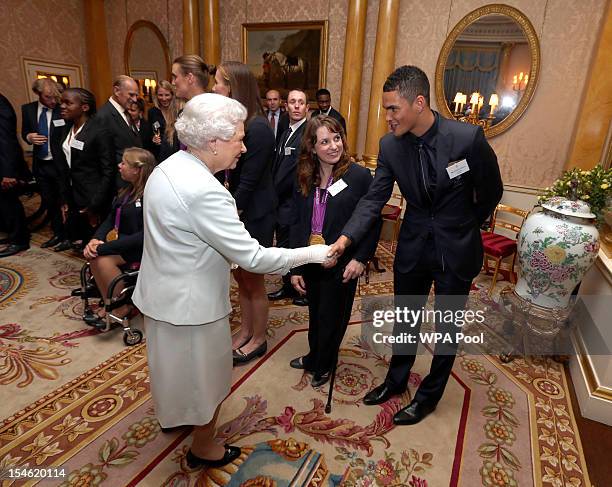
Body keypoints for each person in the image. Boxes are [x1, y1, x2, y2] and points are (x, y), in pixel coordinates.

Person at [132, 93, 331, 469]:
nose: (244, 146)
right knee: (209, 380)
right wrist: (312, 254)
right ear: (213, 141)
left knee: (170, 369)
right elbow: (254, 257)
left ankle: (175, 419)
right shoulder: (205, 190)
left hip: (158, 294)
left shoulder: (167, 166)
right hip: (193, 306)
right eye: (239, 138)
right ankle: (203, 447)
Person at [327, 65, 503, 425]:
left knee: (447, 327)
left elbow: (491, 191)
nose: (387, 117)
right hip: (413, 245)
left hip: (456, 246)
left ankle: (428, 397)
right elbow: (374, 199)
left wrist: (467, 221)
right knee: (406, 319)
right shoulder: (390, 146)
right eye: (386, 109)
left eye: (393, 108)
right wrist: (346, 238)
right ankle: (395, 381)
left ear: (419, 102)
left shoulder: (467, 139)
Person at [289, 115, 380, 387]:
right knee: (316, 312)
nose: (333, 146)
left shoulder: (359, 176)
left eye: (337, 138)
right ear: (312, 147)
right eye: (324, 141)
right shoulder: (305, 175)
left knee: (334, 315)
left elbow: (372, 221)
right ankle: (313, 355)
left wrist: (361, 259)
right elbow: (296, 222)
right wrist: (295, 266)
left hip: (343, 261)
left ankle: (325, 363)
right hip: (310, 257)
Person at [212, 62, 278, 364]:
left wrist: (230, 211)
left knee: (254, 280)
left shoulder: (259, 128)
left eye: (219, 83)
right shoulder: (240, 123)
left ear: (234, 87)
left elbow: (249, 182)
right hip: (238, 210)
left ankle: (258, 338)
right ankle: (246, 330)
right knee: (240, 279)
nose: (215, 89)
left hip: (254, 214)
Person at [83, 148, 155, 325]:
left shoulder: (151, 195)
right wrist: (95, 239)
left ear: (137, 170)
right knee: (94, 257)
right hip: (122, 244)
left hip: (142, 247)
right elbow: (109, 220)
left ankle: (122, 306)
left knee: (102, 260)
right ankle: (111, 302)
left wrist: (103, 248)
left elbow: (144, 235)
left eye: (124, 163)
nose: (119, 166)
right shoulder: (126, 190)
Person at [51, 88, 114, 251]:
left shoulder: (99, 131)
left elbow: (108, 171)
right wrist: (64, 197)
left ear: (84, 107)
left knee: (96, 241)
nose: (62, 106)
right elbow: (65, 166)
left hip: (93, 195)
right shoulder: (65, 129)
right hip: (73, 193)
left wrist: (95, 205)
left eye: (68, 103)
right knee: (83, 237)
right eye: (61, 102)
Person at [268, 89, 309, 305]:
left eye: (300, 103)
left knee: (296, 246)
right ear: (286, 106)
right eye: (292, 102)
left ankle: (301, 289)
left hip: (294, 202)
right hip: (281, 202)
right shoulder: (286, 132)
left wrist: (273, 193)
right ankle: (287, 285)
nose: (296, 106)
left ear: (306, 108)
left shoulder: (306, 135)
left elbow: (294, 172)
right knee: (284, 245)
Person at [21, 78, 65, 249]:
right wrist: (29, 137)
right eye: (48, 97)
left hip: (59, 164)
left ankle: (68, 235)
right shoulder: (28, 109)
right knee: (49, 200)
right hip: (41, 164)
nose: (53, 101)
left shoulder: (61, 109)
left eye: (55, 97)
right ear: (38, 94)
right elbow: (25, 131)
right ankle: (57, 233)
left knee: (64, 201)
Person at [96, 76, 141, 190]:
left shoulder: (124, 112)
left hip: (132, 179)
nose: (135, 99)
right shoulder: (104, 116)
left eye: (136, 95)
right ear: (116, 91)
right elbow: (105, 157)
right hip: (119, 181)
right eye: (131, 95)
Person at [0, 93, 31, 257]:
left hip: (5, 167)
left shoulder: (0, 103)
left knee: (9, 202)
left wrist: (7, 173)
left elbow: (5, 139)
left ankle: (20, 240)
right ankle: (13, 235)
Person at [147, 80, 180, 161]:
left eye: (167, 95)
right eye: (160, 95)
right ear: (156, 95)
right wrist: (153, 139)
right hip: (160, 155)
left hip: (177, 154)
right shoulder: (152, 112)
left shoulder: (178, 111)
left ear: (172, 95)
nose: (164, 98)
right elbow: (149, 133)